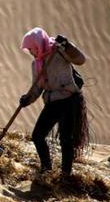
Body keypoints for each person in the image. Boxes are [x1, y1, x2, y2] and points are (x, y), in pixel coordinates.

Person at [19, 27, 89, 176]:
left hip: (69, 100)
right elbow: (37, 87)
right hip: (52, 103)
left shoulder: (59, 52)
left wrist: (68, 46)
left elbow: (80, 60)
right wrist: (28, 98)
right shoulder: (36, 64)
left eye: (32, 48)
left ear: (38, 44)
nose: (31, 52)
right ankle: (46, 168)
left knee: (66, 139)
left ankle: (65, 174)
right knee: (37, 136)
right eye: (29, 50)